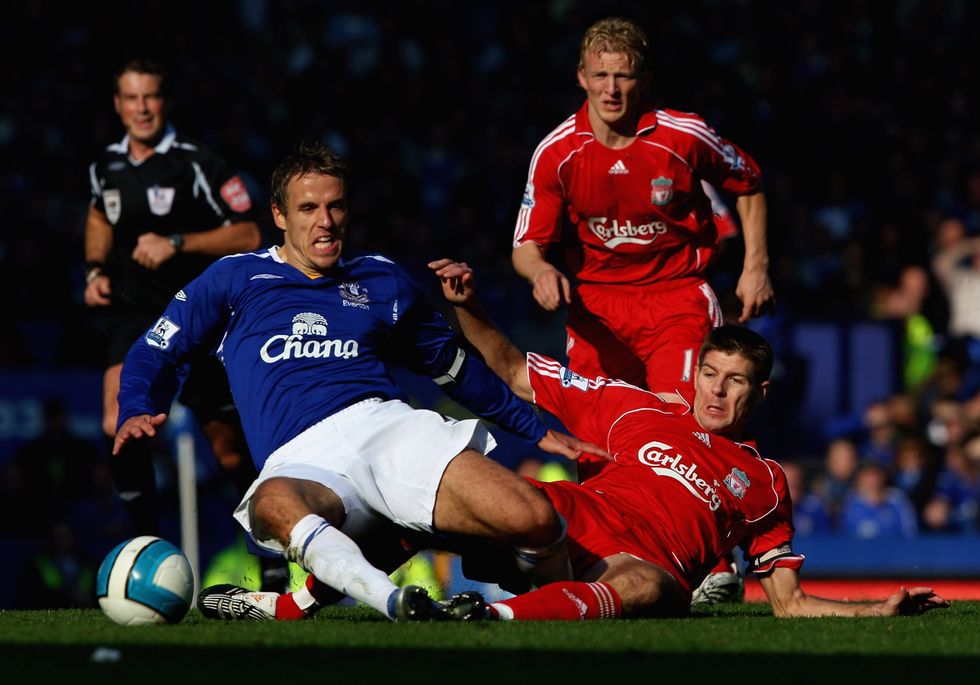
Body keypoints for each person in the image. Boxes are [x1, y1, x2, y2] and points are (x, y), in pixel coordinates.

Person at [204, 259, 948, 622]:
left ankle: (488, 619)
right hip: (560, 525)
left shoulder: (766, 481)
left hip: (635, 564)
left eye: (735, 382)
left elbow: (786, 603)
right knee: (425, 509)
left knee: (657, 588)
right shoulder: (637, 411)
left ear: (760, 395)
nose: (716, 391)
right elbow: (513, 373)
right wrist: (468, 307)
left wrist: (873, 610)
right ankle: (289, 606)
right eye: (710, 374)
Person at [115, 142, 600, 622]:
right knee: (271, 502)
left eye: (335, 206)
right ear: (280, 216)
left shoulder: (380, 279)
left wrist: (534, 429)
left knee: (534, 519)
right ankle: (394, 599)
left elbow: (454, 368)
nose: (325, 221)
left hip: (391, 430)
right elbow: (156, 348)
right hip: (303, 458)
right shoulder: (235, 279)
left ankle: (551, 614)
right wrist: (135, 406)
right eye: (308, 208)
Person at [510, 17, 773, 598]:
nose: (611, 89)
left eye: (623, 76)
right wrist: (543, 271)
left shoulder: (683, 135)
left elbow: (748, 182)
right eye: (600, 75)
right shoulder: (557, 152)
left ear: (644, 80)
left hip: (677, 295)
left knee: (683, 417)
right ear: (581, 76)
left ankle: (712, 564)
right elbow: (526, 247)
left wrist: (755, 265)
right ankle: (604, 557)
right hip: (597, 308)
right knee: (597, 438)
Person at [82, 59, 288, 590]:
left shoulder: (198, 163)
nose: (142, 108)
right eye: (131, 98)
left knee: (229, 449)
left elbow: (248, 233)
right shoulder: (105, 166)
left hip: (197, 318)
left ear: (164, 101)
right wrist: (96, 270)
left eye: (150, 97)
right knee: (118, 425)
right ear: (117, 105)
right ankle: (145, 548)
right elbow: (99, 216)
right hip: (134, 316)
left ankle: (265, 554)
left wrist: (177, 242)